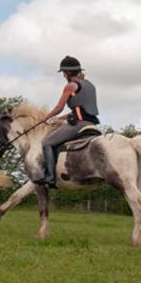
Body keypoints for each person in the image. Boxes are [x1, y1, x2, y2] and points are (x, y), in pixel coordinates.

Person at [37, 56, 99, 188]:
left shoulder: (70, 86)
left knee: (47, 142)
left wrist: (45, 117)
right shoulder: (90, 85)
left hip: (79, 124)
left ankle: (50, 177)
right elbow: (82, 108)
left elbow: (59, 107)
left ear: (67, 73)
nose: (63, 75)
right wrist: (62, 118)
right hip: (92, 124)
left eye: (63, 73)